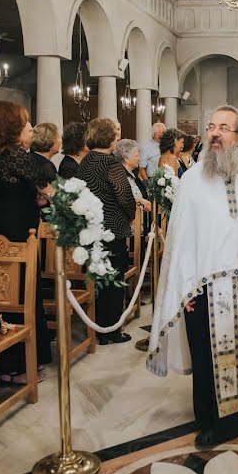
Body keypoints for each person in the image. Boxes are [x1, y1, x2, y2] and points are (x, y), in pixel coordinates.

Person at [147, 105, 238, 448]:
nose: (215, 133)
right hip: (202, 286)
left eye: (224, 128)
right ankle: (209, 419)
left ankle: (235, 413)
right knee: (205, 355)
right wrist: (185, 287)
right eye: (211, 126)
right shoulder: (192, 180)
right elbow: (182, 239)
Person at [0, 101, 54, 381]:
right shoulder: (16, 156)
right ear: (11, 128)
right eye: (24, 124)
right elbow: (46, 186)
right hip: (18, 233)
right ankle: (21, 365)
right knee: (23, 294)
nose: (29, 129)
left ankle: (1, 364)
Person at [79, 118, 137, 345]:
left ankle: (97, 326)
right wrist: (131, 213)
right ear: (110, 138)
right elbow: (124, 197)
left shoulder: (85, 162)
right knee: (113, 281)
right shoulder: (111, 164)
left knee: (99, 279)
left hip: (92, 230)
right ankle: (110, 331)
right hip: (112, 230)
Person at [113, 139, 152, 214]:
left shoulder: (133, 174)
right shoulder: (120, 176)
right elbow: (122, 199)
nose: (139, 159)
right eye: (136, 156)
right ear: (126, 158)